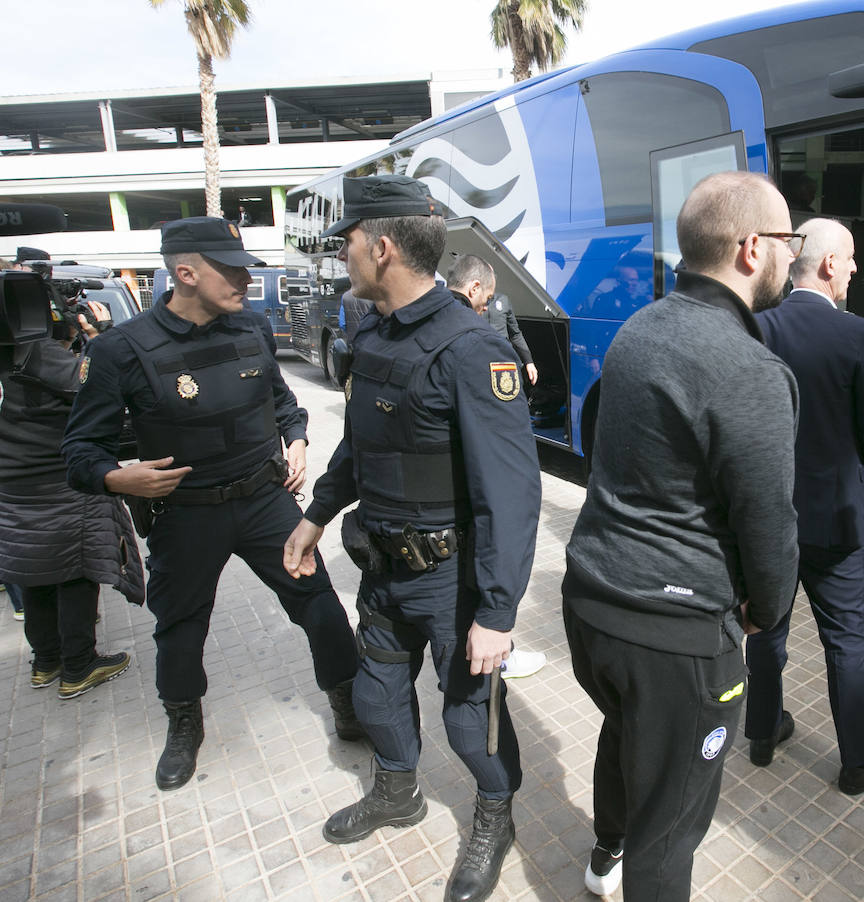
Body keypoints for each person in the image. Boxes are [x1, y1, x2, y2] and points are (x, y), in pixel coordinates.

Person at [282, 174, 541, 902]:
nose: (342, 255)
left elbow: (513, 494)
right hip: (384, 567)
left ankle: (497, 814)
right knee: (377, 694)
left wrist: (496, 611)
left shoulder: (470, 347)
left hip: (452, 580)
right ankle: (397, 793)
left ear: (384, 247)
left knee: (468, 720)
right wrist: (316, 516)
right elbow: (360, 447)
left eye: (349, 242)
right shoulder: (374, 334)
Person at [562, 170, 800, 901]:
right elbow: (770, 527)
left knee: (625, 736)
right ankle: (624, 863)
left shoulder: (638, 328)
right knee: (671, 828)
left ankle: (604, 856)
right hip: (674, 637)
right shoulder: (749, 367)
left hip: (593, 606)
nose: (796, 255)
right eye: (789, 240)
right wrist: (766, 610)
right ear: (751, 247)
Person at [62, 217, 361, 792]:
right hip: (185, 513)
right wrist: (117, 479)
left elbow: (283, 402)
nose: (247, 278)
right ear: (186, 273)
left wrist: (296, 438)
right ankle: (183, 722)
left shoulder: (250, 328)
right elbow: (78, 452)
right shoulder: (122, 350)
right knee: (179, 629)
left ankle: (346, 702)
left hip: (263, 501)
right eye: (232, 269)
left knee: (320, 606)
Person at [743, 217, 864, 794]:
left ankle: (761, 734)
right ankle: (858, 762)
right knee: (847, 640)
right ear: (831, 265)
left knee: (765, 630)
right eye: (854, 258)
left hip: (768, 521)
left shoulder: (756, 326)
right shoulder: (859, 336)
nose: (858, 269)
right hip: (836, 522)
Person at [1, 289, 137, 698]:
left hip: (13, 484)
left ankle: (46, 662)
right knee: (77, 572)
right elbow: (96, 381)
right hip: (60, 483)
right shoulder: (39, 354)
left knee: (36, 575)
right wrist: (101, 337)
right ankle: (79, 667)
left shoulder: (12, 353)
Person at [446, 254, 546, 681]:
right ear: (473, 290)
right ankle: (499, 649)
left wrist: (526, 360)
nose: (486, 306)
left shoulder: (497, 308)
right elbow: (510, 491)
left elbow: (516, 333)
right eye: (483, 298)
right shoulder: (465, 339)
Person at [448, 255, 539, 388]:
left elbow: (515, 333)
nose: (485, 307)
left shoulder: (503, 300)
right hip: (480, 363)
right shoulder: (470, 306)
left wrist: (529, 362)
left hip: (503, 361)